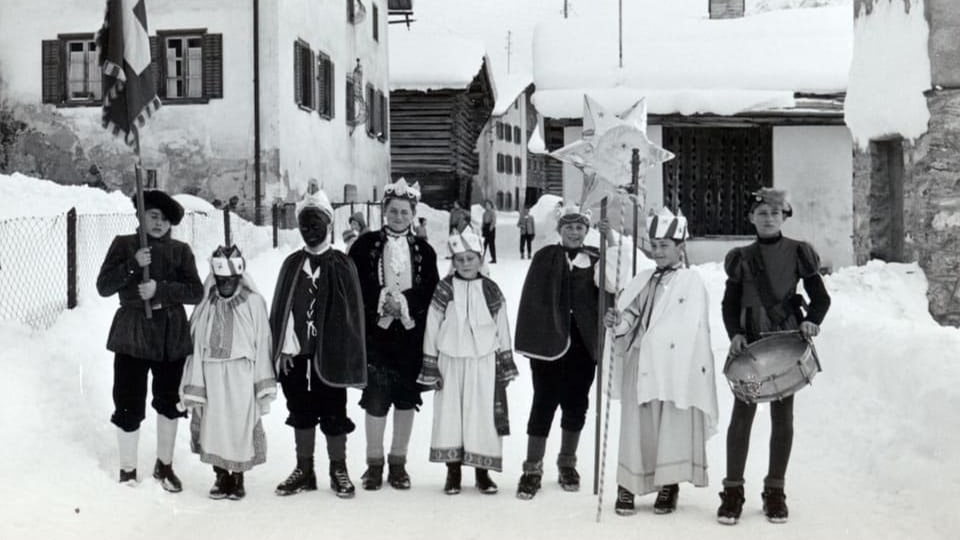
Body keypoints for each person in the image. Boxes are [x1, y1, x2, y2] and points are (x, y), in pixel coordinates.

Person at [716, 188, 831, 525]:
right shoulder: (741, 257)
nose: (768, 218)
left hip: (786, 338)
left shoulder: (799, 253)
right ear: (751, 217)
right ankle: (733, 491)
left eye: (774, 213)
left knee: (783, 417)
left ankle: (775, 490)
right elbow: (729, 303)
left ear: (784, 217)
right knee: (742, 416)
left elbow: (820, 297)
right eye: (761, 212)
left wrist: (812, 321)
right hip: (751, 339)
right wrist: (734, 334)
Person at [603, 207, 718, 516]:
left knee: (670, 422)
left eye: (665, 245)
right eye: (654, 245)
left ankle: (669, 484)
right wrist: (617, 320)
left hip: (673, 364)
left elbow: (691, 327)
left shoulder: (691, 282)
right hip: (641, 361)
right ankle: (628, 484)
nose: (657, 252)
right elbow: (631, 317)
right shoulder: (642, 279)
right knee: (636, 424)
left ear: (681, 247)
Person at [96, 189, 203, 491]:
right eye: (154, 216)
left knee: (169, 401)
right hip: (133, 333)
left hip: (171, 335)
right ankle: (127, 470)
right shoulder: (125, 245)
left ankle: (164, 466)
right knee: (128, 399)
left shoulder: (180, 251)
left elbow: (196, 292)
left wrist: (161, 289)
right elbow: (104, 286)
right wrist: (132, 263)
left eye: (166, 219)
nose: (159, 224)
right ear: (140, 216)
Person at [513, 204, 617, 500]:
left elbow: (614, 285)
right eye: (569, 227)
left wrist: (609, 241)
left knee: (577, 404)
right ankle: (532, 468)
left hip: (584, 344)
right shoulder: (545, 257)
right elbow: (533, 301)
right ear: (560, 230)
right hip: (549, 344)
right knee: (543, 403)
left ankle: (567, 463)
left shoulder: (598, 259)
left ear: (587, 230)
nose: (574, 232)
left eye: (580, 227)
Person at [270, 181, 367, 499]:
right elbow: (282, 309)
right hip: (296, 355)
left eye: (317, 223)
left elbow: (352, 315)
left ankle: (338, 467)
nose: (310, 230)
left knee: (334, 411)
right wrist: (283, 347)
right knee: (300, 409)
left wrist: (345, 351)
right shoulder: (291, 265)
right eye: (304, 224)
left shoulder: (342, 264)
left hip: (331, 354)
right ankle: (304, 469)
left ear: (329, 224)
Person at [349, 178, 440, 491]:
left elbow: (431, 290)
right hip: (376, 335)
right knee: (376, 398)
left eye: (404, 212)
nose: (398, 217)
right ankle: (373, 464)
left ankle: (398, 462)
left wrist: (405, 302)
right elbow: (355, 282)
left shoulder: (425, 251)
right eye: (393, 211)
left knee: (405, 398)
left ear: (413, 214)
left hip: (411, 336)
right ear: (384, 212)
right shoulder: (364, 245)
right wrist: (381, 300)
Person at [417, 226, 518, 495]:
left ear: (480, 259)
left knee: (481, 415)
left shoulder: (490, 289)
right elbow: (432, 325)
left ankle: (482, 473)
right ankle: (453, 472)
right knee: (451, 415)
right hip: (450, 360)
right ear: (453, 262)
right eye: (459, 260)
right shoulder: (444, 288)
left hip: (482, 360)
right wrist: (431, 362)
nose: (465, 264)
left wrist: (505, 363)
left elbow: (502, 326)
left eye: (470, 259)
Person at [180, 244, 276, 500]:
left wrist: (262, 381)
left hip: (241, 374)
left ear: (239, 278)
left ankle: (238, 476)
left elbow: (262, 340)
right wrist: (195, 378)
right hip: (211, 373)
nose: (225, 284)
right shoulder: (206, 303)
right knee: (214, 424)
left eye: (230, 279)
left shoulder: (254, 302)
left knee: (238, 425)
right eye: (220, 279)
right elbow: (197, 341)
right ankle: (220, 475)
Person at [481, 200, 497, 264]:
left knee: (491, 244)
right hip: (485, 227)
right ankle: (481, 258)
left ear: (491, 205)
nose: (487, 206)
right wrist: (482, 227)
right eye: (486, 205)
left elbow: (494, 221)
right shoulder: (484, 213)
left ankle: (494, 258)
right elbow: (483, 221)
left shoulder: (492, 212)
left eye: (488, 205)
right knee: (484, 244)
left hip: (490, 228)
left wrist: (490, 228)